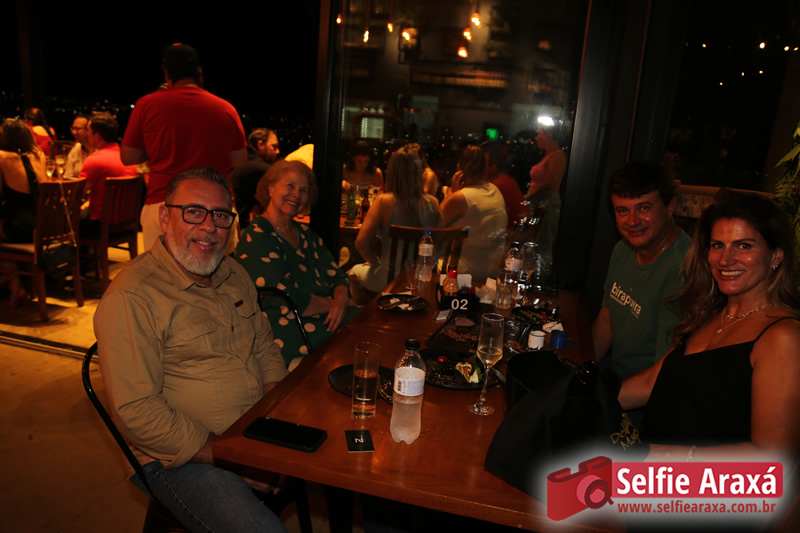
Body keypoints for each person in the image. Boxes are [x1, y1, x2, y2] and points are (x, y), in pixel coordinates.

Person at [94, 167, 290, 533]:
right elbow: (138, 413)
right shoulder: (132, 297)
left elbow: (264, 346)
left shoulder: (234, 273)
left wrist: (272, 423)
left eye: (220, 215)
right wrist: (234, 458)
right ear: (164, 218)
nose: (209, 226)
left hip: (247, 432)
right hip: (177, 456)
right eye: (194, 212)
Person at [620, 188, 800, 464]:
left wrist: (667, 455)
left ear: (776, 256)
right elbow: (649, 383)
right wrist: (577, 396)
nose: (726, 259)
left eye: (744, 246)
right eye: (718, 245)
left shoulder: (783, 336)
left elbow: (772, 457)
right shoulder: (711, 313)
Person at [121, 43, 247, 251]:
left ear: (166, 72)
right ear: (199, 72)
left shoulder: (147, 105)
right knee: (218, 270)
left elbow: (129, 157)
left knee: (162, 270)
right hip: (216, 205)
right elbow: (239, 159)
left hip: (164, 202)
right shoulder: (225, 109)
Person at [236, 160, 359, 370]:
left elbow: (337, 275)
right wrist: (338, 305)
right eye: (290, 185)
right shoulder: (257, 235)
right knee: (365, 332)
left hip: (325, 317)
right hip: (289, 327)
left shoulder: (306, 234)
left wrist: (340, 299)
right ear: (271, 188)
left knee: (373, 326)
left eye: (303, 190)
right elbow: (286, 297)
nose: (296, 194)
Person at [592, 161, 691, 380]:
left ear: (669, 208)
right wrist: (580, 371)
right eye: (623, 210)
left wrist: (608, 397)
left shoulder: (683, 269)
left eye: (644, 208)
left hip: (646, 390)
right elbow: (606, 319)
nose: (632, 221)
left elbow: (664, 372)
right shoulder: (622, 249)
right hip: (614, 373)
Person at [349, 145, 440, 301]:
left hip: (388, 280)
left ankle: (364, 313)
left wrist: (375, 262)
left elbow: (361, 244)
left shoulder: (384, 201)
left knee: (353, 273)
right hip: (421, 279)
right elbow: (438, 244)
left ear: (392, 173)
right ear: (418, 173)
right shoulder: (433, 203)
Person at [439, 145, 507, 280]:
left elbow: (432, 226)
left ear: (459, 169)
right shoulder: (495, 191)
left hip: (461, 271)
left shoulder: (461, 197)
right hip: (493, 269)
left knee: (420, 257)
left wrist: (452, 193)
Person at [0, 119, 49, 307]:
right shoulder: (38, 155)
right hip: (43, 225)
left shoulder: (2, 157)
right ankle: (11, 279)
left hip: (22, 227)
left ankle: (13, 282)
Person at [78, 112, 138, 234]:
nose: (87, 134)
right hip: (125, 222)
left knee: (59, 216)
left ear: (97, 136)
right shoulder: (128, 159)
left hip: (100, 225)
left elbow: (77, 193)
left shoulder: (96, 159)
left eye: (88, 131)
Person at [526, 125, 568, 256]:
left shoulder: (558, 156)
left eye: (539, 134)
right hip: (539, 203)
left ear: (548, 135)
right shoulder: (548, 155)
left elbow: (550, 183)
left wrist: (529, 197)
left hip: (546, 205)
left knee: (543, 242)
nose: (536, 137)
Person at [231, 128, 280, 227]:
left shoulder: (245, 159)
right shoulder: (259, 167)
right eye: (274, 147)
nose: (277, 151)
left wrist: (256, 204)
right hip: (239, 226)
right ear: (260, 145)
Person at [484, 141, 529, 232]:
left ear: (493, 166)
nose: (480, 168)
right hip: (518, 232)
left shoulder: (497, 186)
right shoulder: (508, 180)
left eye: (484, 164)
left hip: (510, 235)